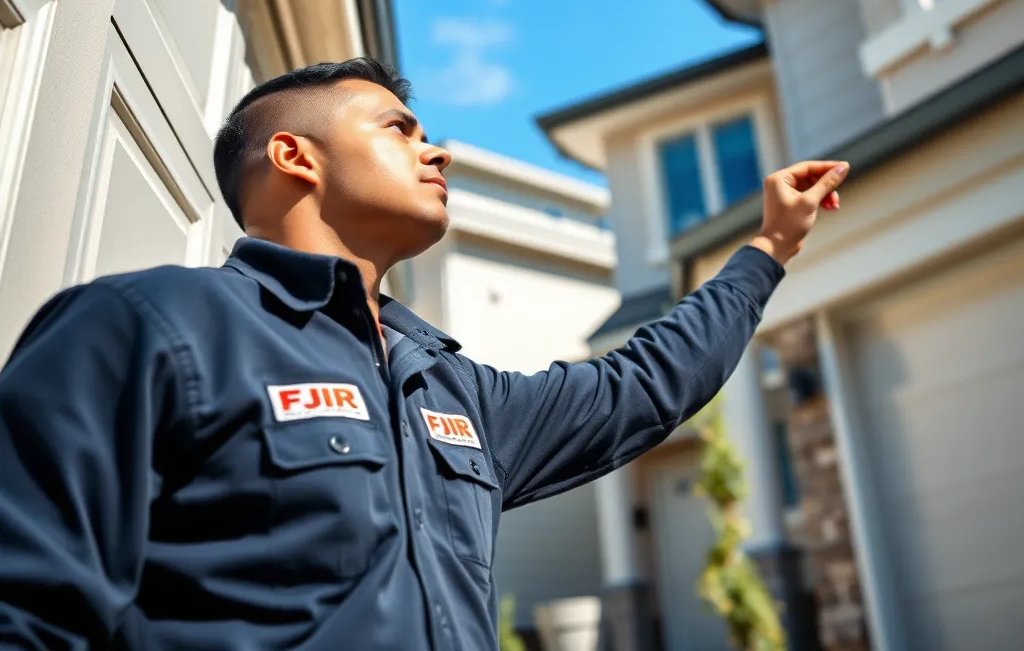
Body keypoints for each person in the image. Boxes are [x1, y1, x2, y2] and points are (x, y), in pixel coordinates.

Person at [0, 58, 847, 651]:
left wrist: (767, 249)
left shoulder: (450, 387)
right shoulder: (147, 325)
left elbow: (642, 386)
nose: (436, 150)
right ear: (296, 157)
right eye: (401, 129)